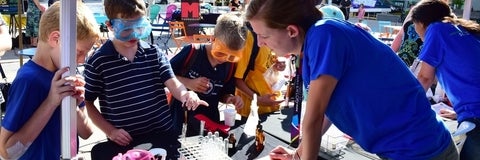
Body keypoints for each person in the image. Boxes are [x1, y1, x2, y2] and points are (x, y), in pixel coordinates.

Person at [244, 0, 458, 159]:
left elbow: (314, 116)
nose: (261, 43)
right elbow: (327, 109)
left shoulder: (324, 34)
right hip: (412, 149)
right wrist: (298, 154)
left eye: (263, 35)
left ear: (291, 30)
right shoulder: (318, 38)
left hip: (422, 151)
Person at [83, 0, 208, 159]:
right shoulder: (99, 61)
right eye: (126, 29)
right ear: (110, 25)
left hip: (162, 133)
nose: (134, 34)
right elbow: (88, 102)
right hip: (124, 142)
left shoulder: (153, 53)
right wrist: (110, 131)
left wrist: (186, 94)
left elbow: (173, 83)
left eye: (139, 26)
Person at [0, 2, 99, 159]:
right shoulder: (29, 80)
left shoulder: (65, 76)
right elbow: (7, 151)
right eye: (79, 52)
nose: (81, 60)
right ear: (56, 38)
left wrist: (74, 105)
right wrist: (51, 102)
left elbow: (87, 133)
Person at [411, 0, 480, 159]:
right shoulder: (466, 30)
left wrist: (402, 110)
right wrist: (460, 113)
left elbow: (424, 78)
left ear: (421, 23)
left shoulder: (436, 29)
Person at [169, 13, 245, 136]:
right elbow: (165, 76)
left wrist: (230, 98)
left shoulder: (229, 65)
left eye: (232, 56)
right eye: (220, 53)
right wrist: (189, 83)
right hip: (182, 122)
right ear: (213, 38)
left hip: (210, 123)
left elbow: (224, 93)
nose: (224, 59)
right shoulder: (193, 52)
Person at [234, 25, 284, 118]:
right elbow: (237, 79)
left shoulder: (270, 31)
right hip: (253, 110)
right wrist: (258, 99)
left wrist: (278, 65)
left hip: (272, 104)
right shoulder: (249, 36)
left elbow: (266, 62)